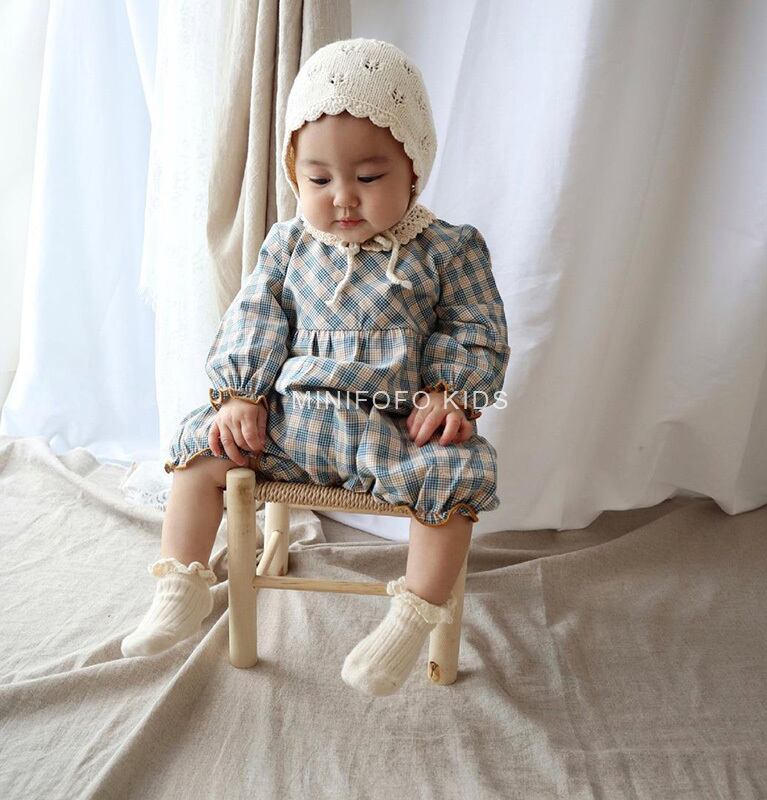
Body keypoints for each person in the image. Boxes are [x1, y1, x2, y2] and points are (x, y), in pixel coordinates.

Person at [121, 38, 511, 696]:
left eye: (369, 178)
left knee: (459, 471)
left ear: (414, 170)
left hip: (390, 429)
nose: (343, 199)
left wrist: (449, 393)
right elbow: (255, 317)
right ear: (294, 173)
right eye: (320, 180)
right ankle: (180, 586)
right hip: (289, 422)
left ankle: (412, 615)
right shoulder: (289, 245)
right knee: (201, 443)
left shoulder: (448, 249)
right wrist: (241, 395)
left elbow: (475, 328)